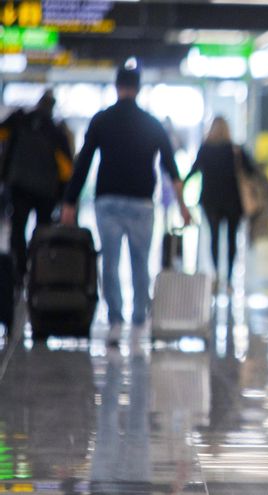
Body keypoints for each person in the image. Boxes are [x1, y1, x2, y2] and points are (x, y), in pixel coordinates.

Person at [60, 61, 192, 345]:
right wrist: (183, 206)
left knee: (110, 262)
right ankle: (139, 320)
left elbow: (83, 162)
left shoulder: (102, 120)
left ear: (116, 86)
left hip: (108, 201)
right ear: (138, 88)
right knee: (140, 263)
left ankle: (116, 321)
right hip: (142, 203)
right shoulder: (152, 123)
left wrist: (69, 202)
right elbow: (171, 168)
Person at [1, 90, 73, 287]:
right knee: (42, 231)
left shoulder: (20, 120)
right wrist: (65, 197)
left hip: (19, 185)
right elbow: (66, 169)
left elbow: (2, 133)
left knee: (18, 228)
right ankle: (38, 270)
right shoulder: (56, 131)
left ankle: (19, 271)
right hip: (46, 191)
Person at [184, 116, 255, 292]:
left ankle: (216, 274)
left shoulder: (205, 149)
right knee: (232, 239)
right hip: (233, 202)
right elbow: (251, 171)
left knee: (214, 238)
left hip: (211, 202)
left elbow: (193, 170)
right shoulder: (235, 150)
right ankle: (229, 279)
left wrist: (180, 186)